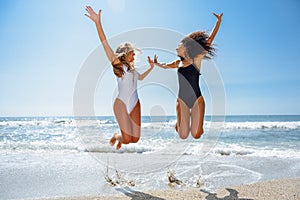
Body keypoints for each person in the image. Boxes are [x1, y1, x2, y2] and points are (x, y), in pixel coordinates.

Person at [85, 6, 156, 150]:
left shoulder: (133, 70)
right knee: (127, 139)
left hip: (135, 103)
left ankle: (119, 136)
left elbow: (140, 78)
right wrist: (98, 23)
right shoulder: (118, 65)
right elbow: (105, 45)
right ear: (124, 54)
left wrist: (151, 67)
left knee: (135, 139)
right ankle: (117, 136)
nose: (134, 55)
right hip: (121, 104)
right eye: (132, 53)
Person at [154, 13, 223, 139]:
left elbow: (209, 41)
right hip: (182, 100)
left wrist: (218, 23)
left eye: (179, 45)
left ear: (185, 47)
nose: (176, 47)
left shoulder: (196, 59)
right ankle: (180, 121)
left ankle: (195, 122)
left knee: (196, 135)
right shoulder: (178, 63)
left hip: (197, 99)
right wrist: (156, 64)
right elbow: (165, 65)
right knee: (183, 135)